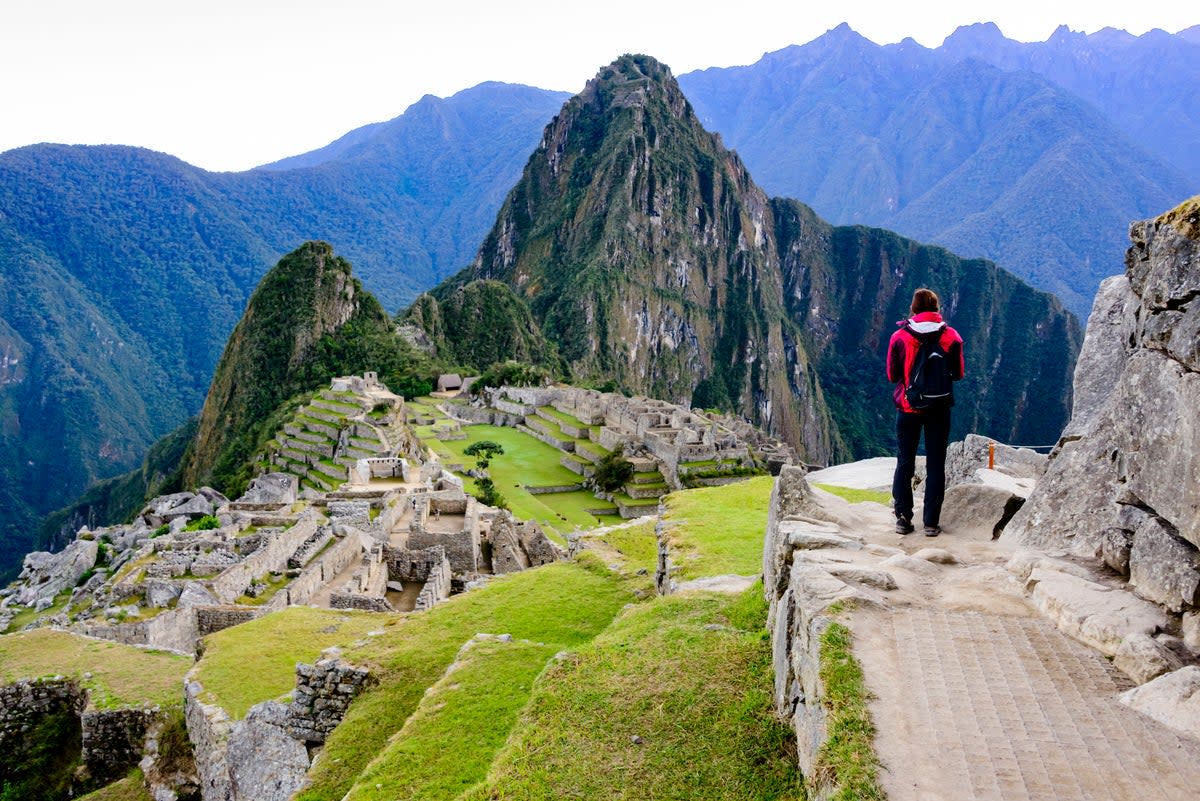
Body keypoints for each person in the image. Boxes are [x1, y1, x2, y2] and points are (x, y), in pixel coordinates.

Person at [887, 288, 964, 537]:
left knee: (905, 462)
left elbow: (892, 376)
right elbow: (958, 373)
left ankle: (903, 518)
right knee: (935, 465)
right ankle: (930, 523)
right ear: (937, 308)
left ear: (914, 308)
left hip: (908, 407)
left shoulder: (899, 337)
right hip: (939, 408)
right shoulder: (951, 337)